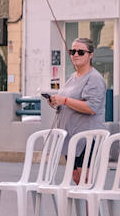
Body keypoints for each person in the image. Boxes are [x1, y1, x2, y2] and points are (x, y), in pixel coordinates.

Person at [45, 37, 107, 186]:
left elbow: (91, 107)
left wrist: (64, 100)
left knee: (86, 179)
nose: (75, 55)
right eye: (72, 51)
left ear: (90, 55)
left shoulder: (94, 78)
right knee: (76, 178)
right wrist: (55, 102)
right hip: (71, 136)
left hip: (88, 137)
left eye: (80, 52)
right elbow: (68, 103)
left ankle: (91, 210)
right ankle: (82, 210)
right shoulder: (71, 78)